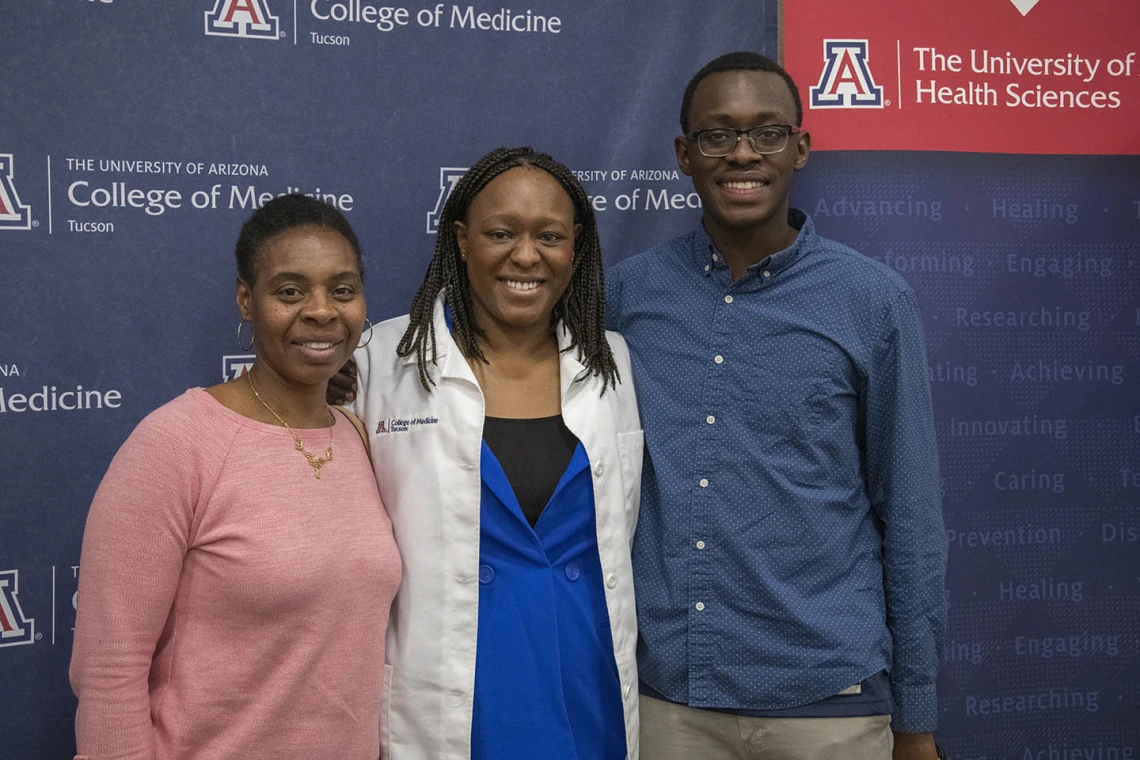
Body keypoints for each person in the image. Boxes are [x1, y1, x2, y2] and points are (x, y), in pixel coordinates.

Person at [605, 53, 947, 759]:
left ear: (800, 147)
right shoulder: (625, 299)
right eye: (716, 135)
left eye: (766, 133)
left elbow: (909, 515)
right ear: (682, 155)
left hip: (827, 702)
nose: (741, 154)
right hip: (670, 701)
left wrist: (916, 718)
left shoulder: (873, 302)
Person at [69, 195, 401, 760]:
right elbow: (109, 671)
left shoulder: (359, 437)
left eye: (342, 290)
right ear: (247, 300)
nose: (322, 310)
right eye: (290, 291)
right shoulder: (177, 443)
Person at [341, 147, 642, 760]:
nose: (525, 256)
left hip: (590, 689)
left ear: (576, 246)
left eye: (550, 236)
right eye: (500, 233)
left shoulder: (611, 363)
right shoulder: (380, 361)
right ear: (461, 239)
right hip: (455, 696)